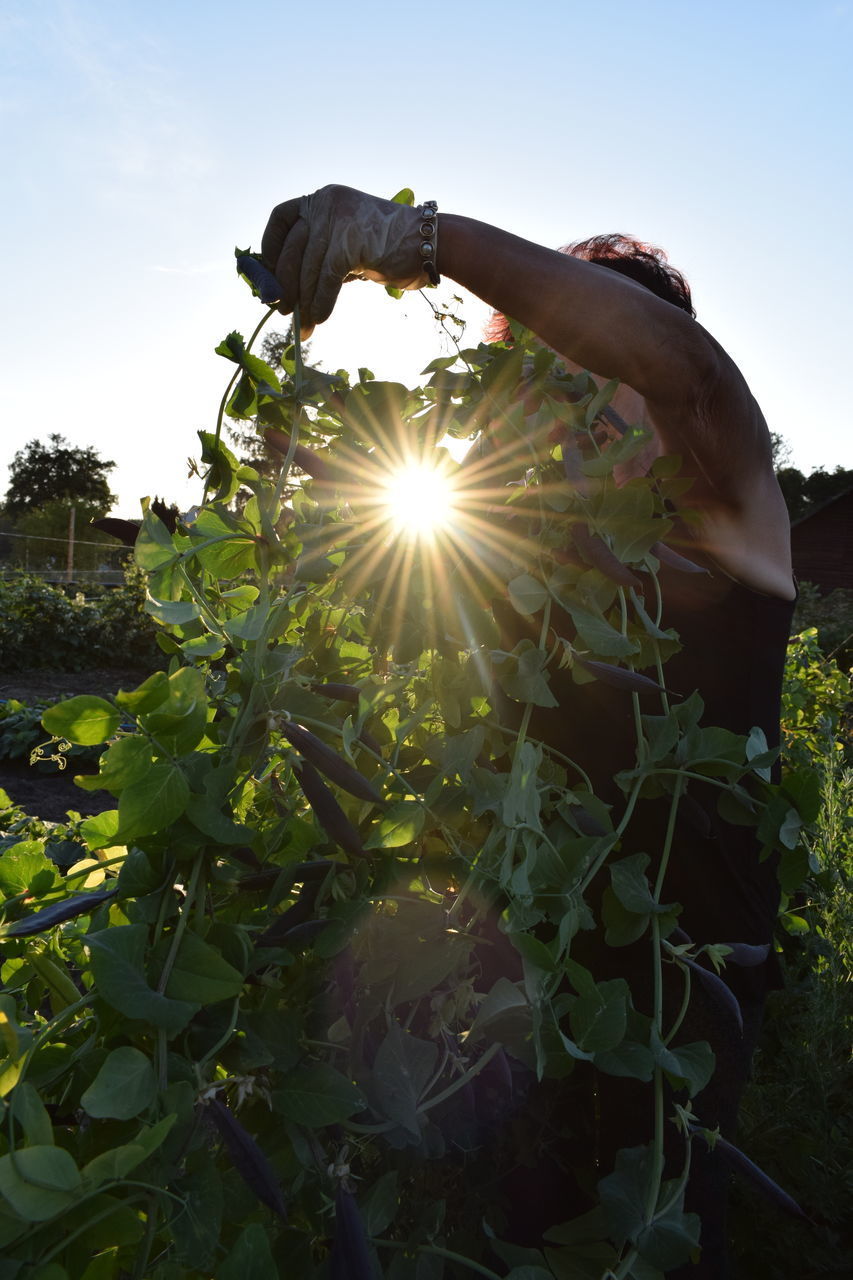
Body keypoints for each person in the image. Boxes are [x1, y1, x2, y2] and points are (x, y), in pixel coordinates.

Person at [260, 185, 797, 1277]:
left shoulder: (733, 520)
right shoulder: (533, 564)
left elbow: (683, 374)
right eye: (547, 379)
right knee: (523, 1238)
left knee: (652, 1237)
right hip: (531, 998)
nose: (577, 403)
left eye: (602, 368)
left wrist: (422, 240)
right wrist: (294, 457)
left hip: (673, 999)